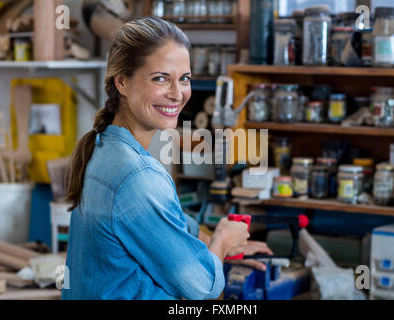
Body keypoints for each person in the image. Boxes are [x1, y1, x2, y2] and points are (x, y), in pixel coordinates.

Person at [62, 17, 272, 300]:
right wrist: (221, 242)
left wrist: (214, 250)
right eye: (160, 78)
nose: (177, 94)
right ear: (122, 82)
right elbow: (202, 287)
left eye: (184, 78)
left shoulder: (105, 148)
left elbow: (161, 224)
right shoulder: (137, 175)